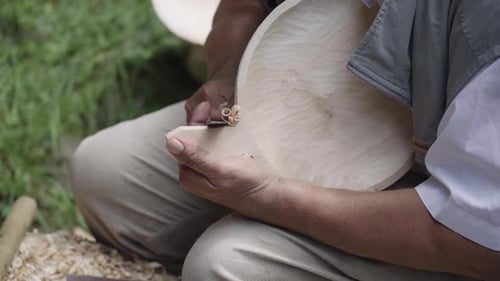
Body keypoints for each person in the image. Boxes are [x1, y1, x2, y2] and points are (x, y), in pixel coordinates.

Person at [70, 0, 500, 280]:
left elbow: (472, 238)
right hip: (323, 113)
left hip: (462, 213)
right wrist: (226, 74)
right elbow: (244, 5)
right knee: (104, 173)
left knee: (225, 265)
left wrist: (272, 198)